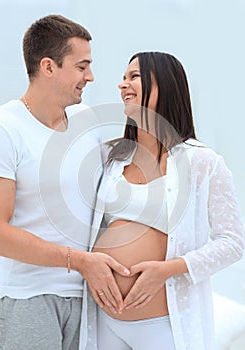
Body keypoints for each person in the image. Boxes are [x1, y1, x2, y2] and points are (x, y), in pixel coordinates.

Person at [0, 14, 130, 350]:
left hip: (88, 298)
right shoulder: (1, 129)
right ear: (49, 67)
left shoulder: (86, 119)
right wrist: (77, 261)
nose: (90, 77)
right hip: (26, 298)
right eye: (82, 67)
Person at [89, 52, 245, 350]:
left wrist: (166, 269)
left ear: (166, 86)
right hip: (103, 322)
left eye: (134, 76)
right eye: (123, 78)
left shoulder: (203, 162)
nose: (123, 85)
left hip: (162, 325)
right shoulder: (110, 159)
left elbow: (232, 242)